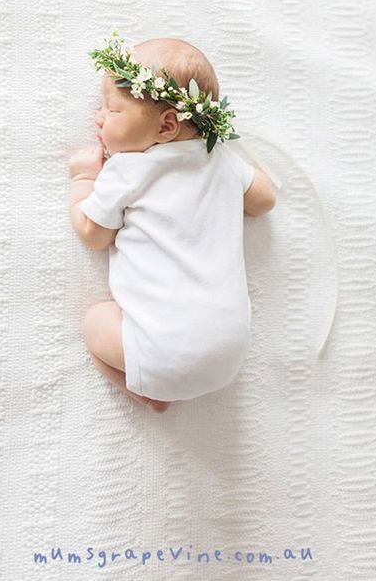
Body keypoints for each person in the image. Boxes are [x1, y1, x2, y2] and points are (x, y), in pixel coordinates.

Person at [68, 30, 276, 413]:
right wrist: (230, 155)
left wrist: (84, 179)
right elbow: (264, 200)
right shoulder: (223, 161)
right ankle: (153, 382)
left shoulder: (129, 169)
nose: (98, 118)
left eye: (112, 110)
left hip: (161, 353)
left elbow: (92, 233)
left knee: (95, 323)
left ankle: (144, 391)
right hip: (228, 356)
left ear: (166, 126)